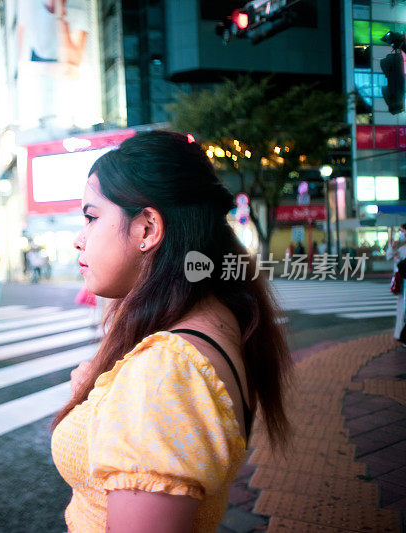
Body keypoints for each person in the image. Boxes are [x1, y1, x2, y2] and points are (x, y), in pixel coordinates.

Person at [50, 131, 290, 532]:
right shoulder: (216, 314)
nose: (80, 239)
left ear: (147, 227)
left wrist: (116, 397)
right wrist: (102, 399)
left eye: (91, 217)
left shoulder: (165, 374)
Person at [385, 223, 406, 343]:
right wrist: (392, 247)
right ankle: (399, 334)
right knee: (401, 308)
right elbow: (388, 256)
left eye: (403, 231)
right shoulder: (399, 248)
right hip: (401, 283)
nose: (401, 234)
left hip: (404, 282)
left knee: (403, 309)